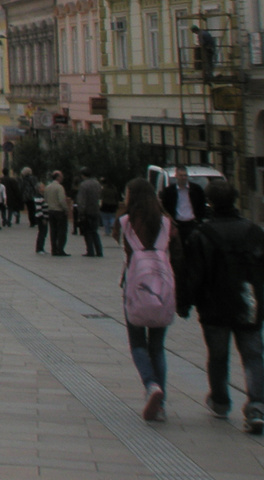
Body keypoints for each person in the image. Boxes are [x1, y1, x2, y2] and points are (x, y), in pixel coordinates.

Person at [181, 179, 264, 432]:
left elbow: (193, 274)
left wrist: (184, 303)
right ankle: (257, 406)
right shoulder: (254, 231)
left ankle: (220, 401)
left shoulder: (201, 234)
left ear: (210, 203)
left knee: (217, 356)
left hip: (214, 307)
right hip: (248, 304)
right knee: (253, 356)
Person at [116, 177, 183, 421]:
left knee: (137, 343)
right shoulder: (167, 222)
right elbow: (177, 256)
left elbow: (125, 250)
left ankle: (150, 385)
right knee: (157, 346)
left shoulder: (126, 222)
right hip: (162, 289)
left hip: (135, 288)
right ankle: (161, 405)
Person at [161, 165, 209, 246]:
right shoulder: (169, 191)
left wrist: (199, 220)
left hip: (192, 223)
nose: (183, 178)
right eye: (181, 175)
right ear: (176, 176)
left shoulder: (196, 189)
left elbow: (202, 205)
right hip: (177, 224)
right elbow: (165, 207)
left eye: (185, 175)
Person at [76, 170, 103, 258]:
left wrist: (81, 212)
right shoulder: (97, 184)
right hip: (96, 210)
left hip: (87, 212)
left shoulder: (83, 185)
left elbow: (81, 200)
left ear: (83, 176)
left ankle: (90, 251)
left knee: (87, 232)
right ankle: (99, 251)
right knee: (95, 231)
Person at [44, 170, 70, 256]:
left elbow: (46, 199)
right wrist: (66, 209)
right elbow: (62, 200)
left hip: (51, 211)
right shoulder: (59, 187)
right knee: (61, 231)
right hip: (59, 211)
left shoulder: (48, 187)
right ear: (58, 177)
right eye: (61, 177)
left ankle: (54, 249)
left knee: (53, 231)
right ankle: (60, 249)